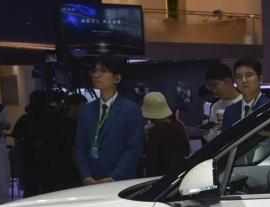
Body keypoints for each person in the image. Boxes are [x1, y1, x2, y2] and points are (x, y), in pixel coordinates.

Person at [74, 56, 145, 184]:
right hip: (91, 182)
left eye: (103, 71)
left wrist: (114, 177)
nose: (97, 75)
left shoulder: (130, 109)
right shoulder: (87, 110)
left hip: (121, 182)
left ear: (117, 78)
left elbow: (134, 149)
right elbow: (80, 146)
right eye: (95, 71)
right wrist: (86, 175)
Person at [140, 91, 191, 176]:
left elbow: (152, 163)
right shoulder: (179, 126)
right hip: (179, 175)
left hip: (159, 178)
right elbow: (186, 151)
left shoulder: (154, 132)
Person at [221, 57, 270, 130]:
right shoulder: (230, 111)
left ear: (260, 79)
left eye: (249, 75)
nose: (244, 80)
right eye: (239, 77)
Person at [202, 63, 242, 141]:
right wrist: (206, 133)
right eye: (211, 87)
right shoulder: (216, 106)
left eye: (215, 85)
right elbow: (215, 136)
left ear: (228, 81)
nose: (214, 90)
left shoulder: (247, 102)